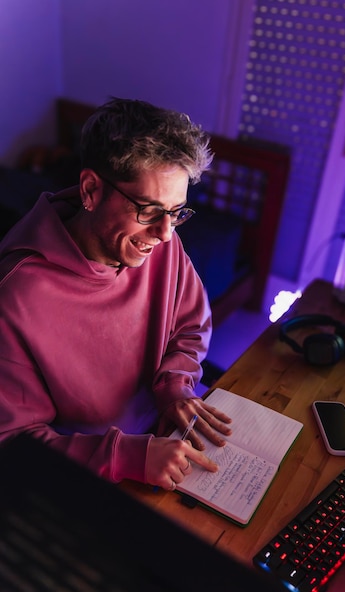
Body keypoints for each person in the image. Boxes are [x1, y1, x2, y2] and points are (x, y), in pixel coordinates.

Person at [0, 97, 232, 491]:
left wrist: (175, 386)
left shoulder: (161, 242)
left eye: (177, 212)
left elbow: (192, 324)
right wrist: (129, 456)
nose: (164, 233)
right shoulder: (16, 296)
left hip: (169, 433)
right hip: (91, 473)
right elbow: (13, 444)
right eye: (148, 210)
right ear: (91, 189)